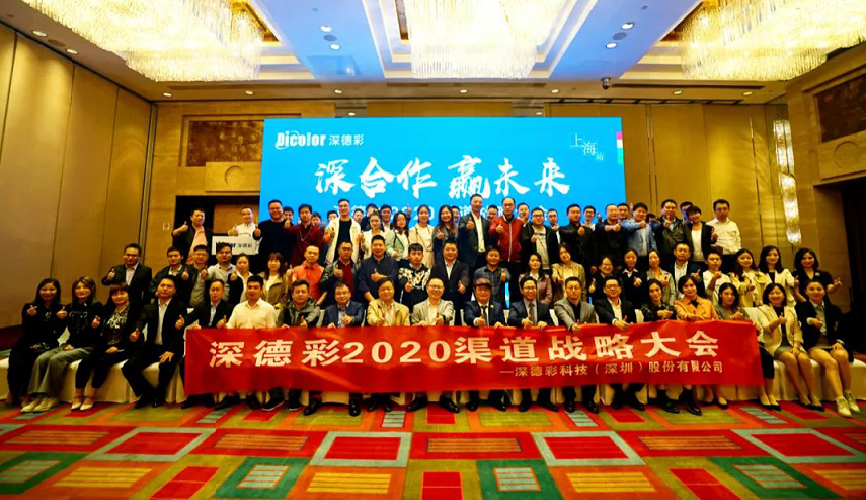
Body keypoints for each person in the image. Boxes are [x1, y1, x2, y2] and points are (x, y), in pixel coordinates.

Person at [25, 277, 102, 413]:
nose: (81, 291)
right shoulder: (69, 307)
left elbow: (96, 333)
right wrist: (60, 319)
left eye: (85, 288)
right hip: (70, 343)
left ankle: (51, 396)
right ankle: (36, 396)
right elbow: (57, 327)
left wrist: (95, 326)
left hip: (87, 346)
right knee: (42, 358)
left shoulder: (97, 306)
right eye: (78, 288)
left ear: (92, 289)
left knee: (56, 359)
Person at [72, 283, 141, 412]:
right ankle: (78, 395)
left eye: (122, 293)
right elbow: (98, 332)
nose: (119, 296)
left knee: (102, 362)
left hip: (125, 347)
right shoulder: (107, 309)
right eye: (115, 294)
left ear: (128, 295)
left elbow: (135, 332)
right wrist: (94, 326)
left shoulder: (135, 310)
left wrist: (118, 347)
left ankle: (91, 396)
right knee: (85, 361)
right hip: (105, 345)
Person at [122, 276, 187, 409]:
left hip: (172, 346)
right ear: (157, 288)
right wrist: (136, 332)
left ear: (174, 290)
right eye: (162, 285)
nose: (165, 288)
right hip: (151, 347)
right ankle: (148, 392)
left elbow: (179, 331)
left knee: (166, 366)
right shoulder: (149, 307)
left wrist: (171, 350)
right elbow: (141, 321)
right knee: (128, 367)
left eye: (169, 286)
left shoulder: (179, 307)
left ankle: (159, 394)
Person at [797, 279, 859, 417]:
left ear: (824, 291)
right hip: (814, 345)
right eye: (812, 289)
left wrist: (840, 342)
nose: (816, 292)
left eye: (819, 289)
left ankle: (848, 394)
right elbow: (802, 319)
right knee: (830, 362)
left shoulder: (834, 309)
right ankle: (840, 399)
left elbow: (843, 329)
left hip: (832, 343)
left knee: (842, 356)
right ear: (806, 292)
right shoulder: (801, 307)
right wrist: (811, 321)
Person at [714, 283, 778, 411]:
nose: (730, 297)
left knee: (766, 357)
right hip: (726, 345)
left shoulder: (740, 310)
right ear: (720, 295)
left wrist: (756, 328)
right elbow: (717, 328)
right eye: (726, 294)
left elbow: (751, 329)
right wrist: (732, 320)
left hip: (745, 344)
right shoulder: (716, 309)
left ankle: (767, 393)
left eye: (732, 294)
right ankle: (719, 394)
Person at [757, 283, 820, 411]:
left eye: (778, 293)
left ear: (784, 295)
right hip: (775, 345)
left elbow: (797, 330)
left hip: (792, 344)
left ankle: (813, 395)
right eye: (772, 293)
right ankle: (800, 393)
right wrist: (778, 321)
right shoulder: (763, 309)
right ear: (767, 295)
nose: (775, 295)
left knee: (804, 359)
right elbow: (767, 329)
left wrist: (796, 346)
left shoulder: (791, 309)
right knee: (790, 358)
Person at [216, 275, 275, 411]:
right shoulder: (238, 308)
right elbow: (231, 326)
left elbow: (273, 331)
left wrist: (263, 330)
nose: (252, 291)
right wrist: (224, 326)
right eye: (249, 287)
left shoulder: (268, 308)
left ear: (261, 290)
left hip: (259, 346)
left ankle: (250, 395)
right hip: (239, 345)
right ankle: (231, 395)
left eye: (255, 288)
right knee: (225, 358)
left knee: (249, 360)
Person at [8, 279, 65, 409]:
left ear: (57, 291)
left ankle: (26, 394)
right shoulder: (30, 307)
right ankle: (13, 390)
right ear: (39, 291)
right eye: (44, 289)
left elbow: (59, 331)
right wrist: (30, 317)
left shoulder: (61, 309)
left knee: (32, 359)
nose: (47, 292)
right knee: (16, 358)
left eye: (51, 289)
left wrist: (60, 319)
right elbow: (26, 328)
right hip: (28, 340)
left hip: (48, 342)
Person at [408, 277, 458, 413]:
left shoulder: (448, 304)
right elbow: (412, 327)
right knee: (414, 362)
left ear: (443, 290)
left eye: (439, 287)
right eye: (433, 286)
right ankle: (420, 397)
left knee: (453, 362)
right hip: (423, 345)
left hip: (443, 346)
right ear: (427, 288)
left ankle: (446, 398)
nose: (436, 290)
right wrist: (419, 325)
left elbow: (448, 314)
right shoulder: (418, 307)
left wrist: (443, 318)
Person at [180, 279, 232, 409]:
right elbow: (190, 317)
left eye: (217, 290)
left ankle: (206, 395)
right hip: (200, 345)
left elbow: (221, 330)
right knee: (183, 363)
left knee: (208, 362)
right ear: (209, 291)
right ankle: (192, 394)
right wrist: (183, 321)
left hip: (217, 346)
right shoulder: (202, 305)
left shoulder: (228, 308)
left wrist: (203, 328)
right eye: (212, 290)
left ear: (223, 292)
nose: (214, 293)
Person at [595, 276, 643, 411]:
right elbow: (604, 314)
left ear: (620, 289)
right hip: (609, 343)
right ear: (604, 290)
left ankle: (631, 393)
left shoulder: (629, 305)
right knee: (612, 361)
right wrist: (616, 322)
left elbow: (634, 325)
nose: (612, 288)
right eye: (609, 286)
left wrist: (630, 325)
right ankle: (619, 393)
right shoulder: (599, 303)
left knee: (644, 360)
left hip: (627, 343)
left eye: (615, 286)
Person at [508, 276, 556, 412]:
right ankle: (526, 399)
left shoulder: (543, 307)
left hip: (541, 346)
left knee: (549, 365)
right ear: (522, 290)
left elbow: (552, 324)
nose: (531, 291)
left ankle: (544, 398)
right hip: (523, 345)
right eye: (527, 288)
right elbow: (510, 319)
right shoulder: (515, 306)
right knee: (523, 366)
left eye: (533, 288)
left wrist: (545, 323)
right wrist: (522, 321)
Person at [553, 277, 599, 413]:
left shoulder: (590, 308)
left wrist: (587, 327)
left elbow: (595, 326)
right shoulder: (559, 305)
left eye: (576, 288)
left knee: (593, 364)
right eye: (570, 288)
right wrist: (572, 325)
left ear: (581, 290)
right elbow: (563, 316)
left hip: (585, 345)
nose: (573, 290)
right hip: (566, 345)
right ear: (565, 290)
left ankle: (589, 399)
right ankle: (569, 399)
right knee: (567, 366)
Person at [275, 280, 321, 414]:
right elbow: (279, 324)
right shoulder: (287, 308)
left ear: (308, 293)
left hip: (310, 346)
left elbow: (313, 317)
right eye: (297, 292)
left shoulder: (314, 306)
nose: (300, 294)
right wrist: (283, 327)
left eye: (303, 292)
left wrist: (306, 323)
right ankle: (277, 397)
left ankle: (313, 399)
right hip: (290, 346)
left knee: (310, 364)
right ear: (292, 294)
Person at [322, 281, 367, 416]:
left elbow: (359, 318)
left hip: (352, 346)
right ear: (335, 296)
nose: (341, 296)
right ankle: (316, 398)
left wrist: (351, 319)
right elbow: (323, 326)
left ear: (350, 294)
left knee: (355, 365)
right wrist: (328, 326)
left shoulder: (358, 306)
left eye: (344, 293)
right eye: (338, 294)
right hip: (334, 345)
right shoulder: (329, 309)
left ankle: (354, 399)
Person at [463, 277, 507, 412]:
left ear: (490, 292)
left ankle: (496, 398)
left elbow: (503, 323)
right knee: (471, 364)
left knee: (502, 362)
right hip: (475, 344)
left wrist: (500, 324)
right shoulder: (470, 305)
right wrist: (477, 321)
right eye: (480, 290)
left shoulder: (497, 306)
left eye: (486, 290)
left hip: (494, 345)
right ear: (475, 291)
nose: (483, 293)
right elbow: (468, 317)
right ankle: (474, 399)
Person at [673, 275, 714, 416]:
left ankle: (705, 392)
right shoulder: (678, 303)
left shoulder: (707, 303)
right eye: (686, 286)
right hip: (687, 341)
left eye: (692, 285)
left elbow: (716, 322)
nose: (689, 288)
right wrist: (690, 316)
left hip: (706, 341)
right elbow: (681, 314)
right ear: (681, 289)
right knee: (687, 358)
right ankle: (689, 395)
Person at [639, 279, 679, 413]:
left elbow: (674, 324)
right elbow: (649, 315)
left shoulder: (669, 306)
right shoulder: (645, 306)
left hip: (668, 341)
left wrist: (669, 315)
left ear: (661, 291)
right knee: (659, 359)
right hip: (650, 342)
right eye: (651, 291)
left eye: (657, 290)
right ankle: (662, 395)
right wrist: (658, 314)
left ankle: (685, 395)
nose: (655, 294)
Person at [489, 197, 524, 305]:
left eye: (510, 205)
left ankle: (514, 311)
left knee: (515, 289)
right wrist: (496, 229)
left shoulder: (519, 222)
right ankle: (501, 311)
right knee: (499, 290)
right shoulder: (496, 220)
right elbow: (490, 230)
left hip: (516, 261)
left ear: (514, 207)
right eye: (505, 205)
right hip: (501, 260)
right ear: (502, 206)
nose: (508, 207)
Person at [357, 235, 399, 305]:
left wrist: (381, 277)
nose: (378, 247)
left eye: (380, 245)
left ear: (385, 247)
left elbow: (395, 278)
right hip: (370, 302)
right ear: (371, 247)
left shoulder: (392, 262)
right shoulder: (365, 263)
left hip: (389, 302)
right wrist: (374, 302)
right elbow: (362, 284)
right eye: (375, 245)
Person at [457, 194, 493, 274]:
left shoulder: (485, 221)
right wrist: (467, 228)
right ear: (470, 203)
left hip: (483, 257)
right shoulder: (464, 219)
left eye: (480, 202)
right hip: (470, 258)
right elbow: (460, 231)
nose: (478, 204)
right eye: (475, 202)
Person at [323, 199, 362, 265]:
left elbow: (358, 244)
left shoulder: (356, 225)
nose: (343, 208)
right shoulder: (332, 223)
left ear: (349, 208)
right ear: (338, 208)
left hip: (351, 260)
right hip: (334, 259)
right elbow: (325, 240)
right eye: (340, 206)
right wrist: (330, 235)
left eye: (345, 206)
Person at [320, 240, 359, 305]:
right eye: (344, 249)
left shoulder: (357, 267)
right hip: (334, 304)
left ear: (352, 251)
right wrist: (333, 276)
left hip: (353, 304)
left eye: (348, 249)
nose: (346, 252)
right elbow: (322, 286)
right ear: (338, 250)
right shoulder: (330, 267)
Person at [257, 199, 291, 271]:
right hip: (265, 261)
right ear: (268, 210)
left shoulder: (290, 226)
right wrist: (255, 234)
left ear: (283, 210)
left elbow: (291, 245)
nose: (275, 210)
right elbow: (257, 237)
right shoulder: (263, 225)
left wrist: (287, 260)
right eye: (272, 209)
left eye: (278, 208)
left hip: (283, 262)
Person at [707, 199, 740, 272]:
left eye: (725, 209)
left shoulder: (733, 224)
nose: (722, 211)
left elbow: (737, 240)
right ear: (714, 211)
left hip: (734, 256)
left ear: (729, 210)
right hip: (720, 258)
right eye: (719, 209)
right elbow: (706, 243)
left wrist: (738, 252)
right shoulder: (708, 225)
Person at [622, 202, 656, 270]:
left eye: (644, 212)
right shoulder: (626, 222)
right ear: (633, 212)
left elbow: (652, 242)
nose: (641, 214)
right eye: (639, 211)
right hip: (631, 259)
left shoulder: (648, 227)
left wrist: (654, 253)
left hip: (645, 258)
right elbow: (628, 228)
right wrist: (639, 225)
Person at [653, 199, 687, 267]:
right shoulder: (655, 222)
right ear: (661, 209)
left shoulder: (682, 224)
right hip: (661, 258)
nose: (670, 209)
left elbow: (687, 240)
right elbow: (654, 231)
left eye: (673, 208)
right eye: (668, 207)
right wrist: (662, 226)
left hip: (679, 257)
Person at [397, 243, 430, 310]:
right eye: (413, 254)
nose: (416, 256)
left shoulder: (427, 271)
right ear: (409, 256)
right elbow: (402, 281)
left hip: (423, 307)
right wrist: (406, 285)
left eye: (419, 254)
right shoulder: (402, 270)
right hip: (407, 306)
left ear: (422, 256)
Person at [559, 204, 591, 268]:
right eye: (573, 212)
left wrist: (594, 264)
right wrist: (577, 233)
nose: (576, 215)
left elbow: (593, 247)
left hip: (587, 264)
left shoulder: (588, 230)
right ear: (567, 215)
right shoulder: (563, 229)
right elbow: (567, 235)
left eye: (578, 212)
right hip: (570, 263)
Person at [408, 204, 436, 269]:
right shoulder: (412, 230)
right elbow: (412, 247)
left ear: (429, 215)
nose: (423, 215)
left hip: (431, 260)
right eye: (421, 213)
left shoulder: (433, 229)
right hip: (418, 260)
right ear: (417, 215)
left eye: (426, 213)